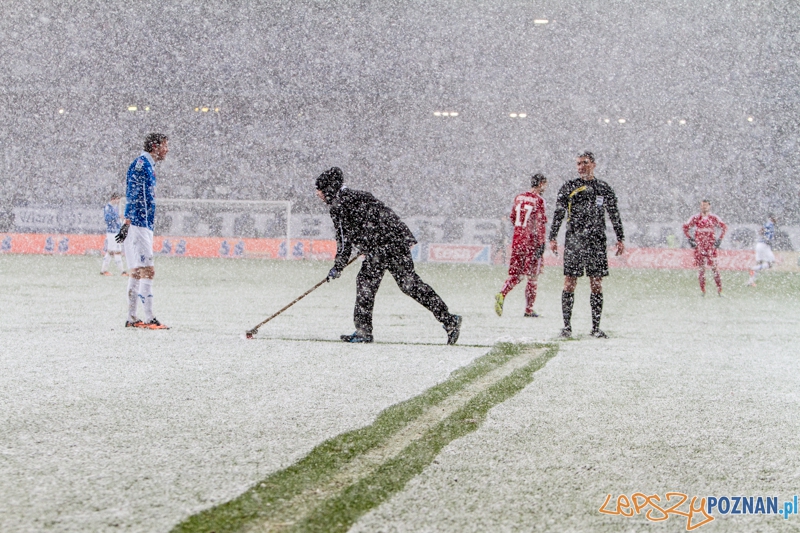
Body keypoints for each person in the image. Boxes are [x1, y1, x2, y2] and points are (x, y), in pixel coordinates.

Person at [315, 167, 461, 344]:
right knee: (410, 284)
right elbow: (383, 216)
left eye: (320, 190)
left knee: (366, 283)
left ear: (330, 188)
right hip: (395, 243)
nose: (318, 194)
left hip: (381, 248)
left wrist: (338, 266)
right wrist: (390, 238)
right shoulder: (360, 195)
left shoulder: (339, 204)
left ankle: (363, 332)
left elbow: (344, 240)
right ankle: (448, 319)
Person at [548, 152, 625, 338]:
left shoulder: (603, 188)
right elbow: (558, 213)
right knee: (569, 283)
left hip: (596, 241)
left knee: (596, 284)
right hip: (575, 240)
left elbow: (614, 213)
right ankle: (566, 327)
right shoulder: (569, 187)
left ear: (594, 165)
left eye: (585, 163)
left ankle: (596, 328)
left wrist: (620, 237)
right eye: (578, 163)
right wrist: (552, 237)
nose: (581, 166)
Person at [115, 133, 170, 329]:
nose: (167, 149)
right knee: (147, 270)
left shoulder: (147, 165)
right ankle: (149, 318)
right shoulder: (141, 165)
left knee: (137, 272)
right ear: (155, 146)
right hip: (138, 224)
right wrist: (128, 221)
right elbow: (132, 192)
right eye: (164, 145)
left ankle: (132, 318)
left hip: (141, 224)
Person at [495, 173, 548, 317]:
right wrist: (541, 243)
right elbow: (539, 224)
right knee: (532, 277)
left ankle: (502, 293)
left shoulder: (519, 198)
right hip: (531, 242)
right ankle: (529, 310)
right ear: (541, 183)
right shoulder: (539, 201)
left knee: (516, 275)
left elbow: (512, 218)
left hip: (517, 241)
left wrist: (521, 231)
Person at [682, 200, 727, 296]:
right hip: (700, 246)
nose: (704, 207)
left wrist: (720, 239)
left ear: (709, 206)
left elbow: (724, 227)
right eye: (702, 205)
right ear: (700, 206)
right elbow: (685, 227)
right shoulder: (696, 218)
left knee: (714, 268)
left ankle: (720, 290)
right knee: (701, 268)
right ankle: (703, 290)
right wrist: (690, 239)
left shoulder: (714, 218)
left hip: (710, 246)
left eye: (706, 205)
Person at [101, 192, 128, 276]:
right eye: (117, 200)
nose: (118, 202)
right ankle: (122, 271)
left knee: (110, 251)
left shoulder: (114, 207)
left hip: (115, 231)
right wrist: (117, 217)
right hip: (112, 232)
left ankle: (103, 270)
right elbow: (107, 219)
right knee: (117, 251)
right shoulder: (108, 208)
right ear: (113, 199)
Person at [747, 214, 777, 286]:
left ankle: (750, 281)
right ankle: (753, 268)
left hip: (760, 244)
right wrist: (767, 239)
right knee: (771, 263)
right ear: (772, 218)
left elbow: (760, 231)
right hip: (764, 245)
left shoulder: (767, 224)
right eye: (776, 217)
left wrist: (764, 236)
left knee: (759, 264)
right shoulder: (770, 224)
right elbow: (761, 231)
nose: (777, 219)